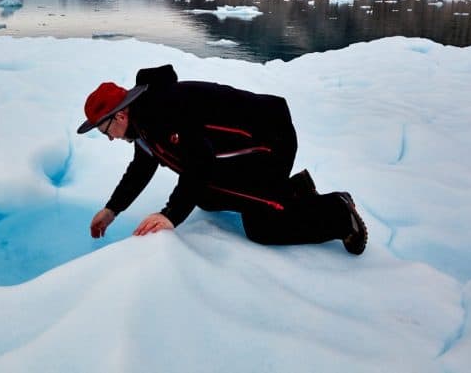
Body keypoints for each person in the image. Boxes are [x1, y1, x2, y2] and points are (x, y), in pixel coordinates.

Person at [76, 64, 368, 255]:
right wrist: (112, 209)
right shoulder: (144, 121)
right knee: (205, 195)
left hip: (269, 142)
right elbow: (142, 166)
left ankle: (338, 213)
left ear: (121, 115)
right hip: (255, 142)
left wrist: (170, 215)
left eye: (105, 131)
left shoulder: (161, 112)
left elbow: (199, 162)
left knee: (262, 226)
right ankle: (295, 189)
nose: (110, 138)